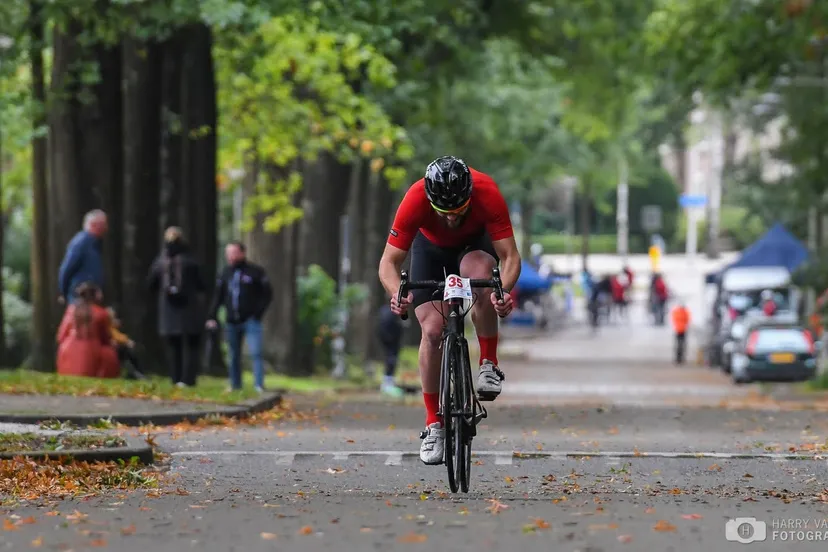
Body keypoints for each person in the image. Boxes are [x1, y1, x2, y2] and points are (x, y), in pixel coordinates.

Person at [377, 155, 520, 465]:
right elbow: (389, 262)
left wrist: (503, 291)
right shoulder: (415, 197)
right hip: (430, 249)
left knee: (482, 276)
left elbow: (509, 256)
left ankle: (488, 363)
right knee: (431, 331)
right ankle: (433, 424)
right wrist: (395, 293)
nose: (453, 218)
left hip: (474, 245)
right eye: (445, 212)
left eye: (459, 210)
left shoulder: (487, 192)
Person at [206, 241, 272, 393]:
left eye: (234, 253)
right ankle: (235, 384)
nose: (230, 256)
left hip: (251, 320)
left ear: (242, 253)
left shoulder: (255, 272)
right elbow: (218, 296)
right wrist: (212, 316)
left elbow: (267, 294)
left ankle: (258, 384)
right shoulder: (225, 273)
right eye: (228, 253)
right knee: (233, 354)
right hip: (231, 321)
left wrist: (257, 313)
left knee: (256, 352)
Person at [148, 227, 208, 387]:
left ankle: (175, 378)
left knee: (174, 346)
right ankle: (189, 379)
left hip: (169, 310)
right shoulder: (191, 260)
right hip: (190, 309)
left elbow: (151, 284)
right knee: (192, 346)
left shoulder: (160, 262)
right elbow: (202, 284)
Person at [56, 282, 119, 378]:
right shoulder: (101, 313)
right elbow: (106, 339)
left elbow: (60, 337)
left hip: (68, 352)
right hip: (92, 353)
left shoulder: (70, 310)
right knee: (109, 352)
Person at [58, 210, 108, 304]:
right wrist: (63, 292)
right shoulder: (81, 242)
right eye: (103, 224)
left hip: (91, 298)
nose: (106, 228)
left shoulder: (94, 243)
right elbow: (66, 268)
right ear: (93, 225)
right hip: (80, 298)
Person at [106, 307, 146, 380]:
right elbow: (116, 336)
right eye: (114, 318)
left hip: (114, 349)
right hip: (110, 351)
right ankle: (136, 373)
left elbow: (118, 335)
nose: (118, 321)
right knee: (126, 351)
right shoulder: (108, 327)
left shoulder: (112, 328)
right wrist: (127, 341)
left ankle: (136, 372)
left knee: (127, 352)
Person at [376, 304, 405, 398]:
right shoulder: (394, 311)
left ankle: (387, 383)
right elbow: (396, 326)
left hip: (385, 338)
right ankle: (387, 384)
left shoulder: (383, 309)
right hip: (391, 339)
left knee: (390, 359)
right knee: (391, 359)